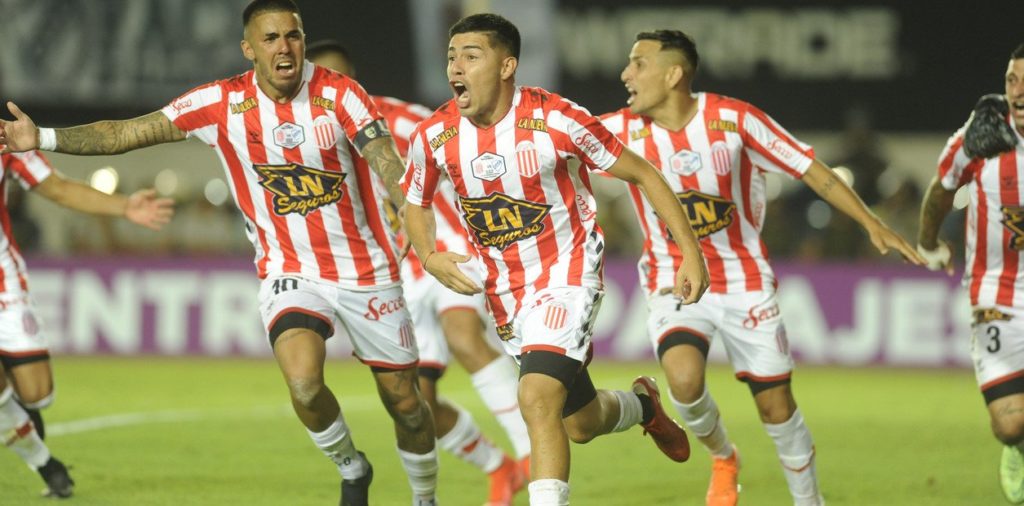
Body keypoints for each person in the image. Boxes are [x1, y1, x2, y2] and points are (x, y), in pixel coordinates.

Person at [0, 1, 439, 505]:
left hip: (367, 270)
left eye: (293, 36)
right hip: (289, 270)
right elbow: (125, 133)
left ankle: (424, 498)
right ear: (248, 49)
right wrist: (43, 137)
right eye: (270, 38)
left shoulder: (342, 94)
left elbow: (388, 164)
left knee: (407, 404)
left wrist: (415, 222)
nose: (285, 48)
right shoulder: (221, 103)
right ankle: (352, 467)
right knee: (303, 382)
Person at [601, 30, 925, 506]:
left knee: (776, 407)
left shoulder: (736, 121)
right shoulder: (618, 129)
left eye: (638, 63)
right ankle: (724, 457)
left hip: (744, 281)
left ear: (673, 75)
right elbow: (554, 147)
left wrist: (871, 223)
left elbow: (810, 169)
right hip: (674, 278)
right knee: (684, 383)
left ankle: (809, 501)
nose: (626, 74)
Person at [403, 14, 710, 506]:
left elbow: (644, 173)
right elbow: (414, 203)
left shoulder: (556, 120)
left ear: (507, 66)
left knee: (536, 397)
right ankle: (642, 406)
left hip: (566, 274)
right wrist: (429, 254)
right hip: (506, 291)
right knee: (580, 423)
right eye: (451, 57)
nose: (455, 67)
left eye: (470, 56)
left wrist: (690, 254)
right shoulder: (435, 135)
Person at [308, 40, 532, 506]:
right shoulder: (306, 141)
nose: (327, 89)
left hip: (449, 245)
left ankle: (531, 452)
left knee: (463, 336)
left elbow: (469, 143)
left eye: (337, 79)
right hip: (397, 274)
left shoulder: (401, 120)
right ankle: (499, 467)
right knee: (417, 400)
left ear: (352, 83)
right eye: (319, 81)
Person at [0, 150, 173, 499]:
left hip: (5, 282)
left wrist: (124, 206)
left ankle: (13, 403)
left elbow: (58, 188)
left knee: (37, 395)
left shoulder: (5, 138)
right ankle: (46, 464)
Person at [917, 43, 1024, 504]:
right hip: (996, 291)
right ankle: (1017, 447)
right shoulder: (980, 136)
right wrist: (928, 242)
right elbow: (941, 190)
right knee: (1009, 424)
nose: (1018, 91)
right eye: (1012, 80)